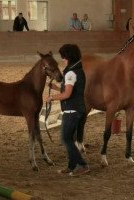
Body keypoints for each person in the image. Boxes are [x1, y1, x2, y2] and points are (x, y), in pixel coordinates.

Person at [47, 44, 90, 176]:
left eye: (63, 57)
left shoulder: (70, 72)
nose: (62, 60)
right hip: (78, 109)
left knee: (65, 139)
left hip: (72, 110)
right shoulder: (77, 70)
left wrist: (52, 98)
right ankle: (71, 166)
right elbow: (69, 89)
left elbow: (67, 94)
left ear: (68, 57)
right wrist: (55, 87)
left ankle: (82, 165)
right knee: (70, 139)